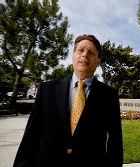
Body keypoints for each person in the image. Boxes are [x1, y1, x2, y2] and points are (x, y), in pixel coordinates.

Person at [13, 34, 123, 167]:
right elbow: (31, 134)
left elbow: (115, 141)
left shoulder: (109, 95)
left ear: (98, 60)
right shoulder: (47, 89)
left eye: (91, 52)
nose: (85, 55)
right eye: (80, 50)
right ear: (73, 56)